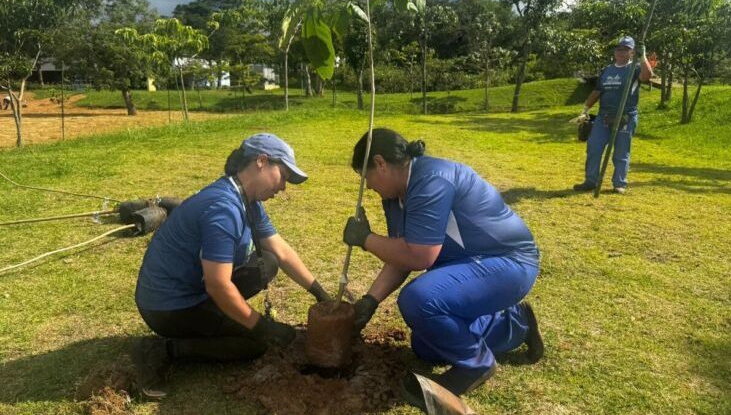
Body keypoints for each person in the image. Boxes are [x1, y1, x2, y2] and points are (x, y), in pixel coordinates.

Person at [342, 128, 543, 408]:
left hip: (510, 262)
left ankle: (475, 364)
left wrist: (365, 239)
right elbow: (403, 254)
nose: (369, 186)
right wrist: (370, 301)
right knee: (426, 344)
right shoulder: (395, 197)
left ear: (380, 163)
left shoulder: (431, 180)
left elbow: (420, 255)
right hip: (472, 264)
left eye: (367, 178)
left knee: (419, 300)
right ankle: (514, 324)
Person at [133, 133, 332, 398]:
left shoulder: (246, 199)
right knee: (254, 343)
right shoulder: (223, 209)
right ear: (261, 161)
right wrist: (261, 326)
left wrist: (320, 293)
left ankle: (223, 318)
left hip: (193, 286)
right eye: (283, 176)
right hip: (168, 306)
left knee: (267, 263)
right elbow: (217, 284)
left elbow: (281, 250)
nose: (284, 186)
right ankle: (168, 348)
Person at [573, 36, 653, 194]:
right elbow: (597, 91)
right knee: (594, 147)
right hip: (604, 117)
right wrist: (585, 110)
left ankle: (619, 184)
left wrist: (643, 55)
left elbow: (647, 76)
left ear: (632, 52)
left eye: (625, 49)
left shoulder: (635, 69)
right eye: (618, 49)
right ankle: (590, 181)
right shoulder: (607, 70)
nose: (621, 52)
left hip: (625, 117)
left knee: (621, 152)